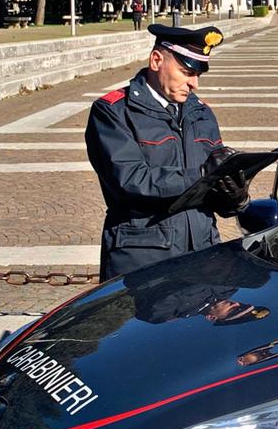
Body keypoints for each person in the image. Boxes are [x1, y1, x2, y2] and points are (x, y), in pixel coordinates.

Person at [85, 24, 249, 282]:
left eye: (198, 74)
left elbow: (212, 188)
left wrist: (235, 197)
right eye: (187, 72)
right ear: (156, 60)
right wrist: (203, 174)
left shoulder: (201, 113)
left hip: (202, 255)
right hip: (143, 260)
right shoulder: (114, 112)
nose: (194, 83)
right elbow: (130, 180)